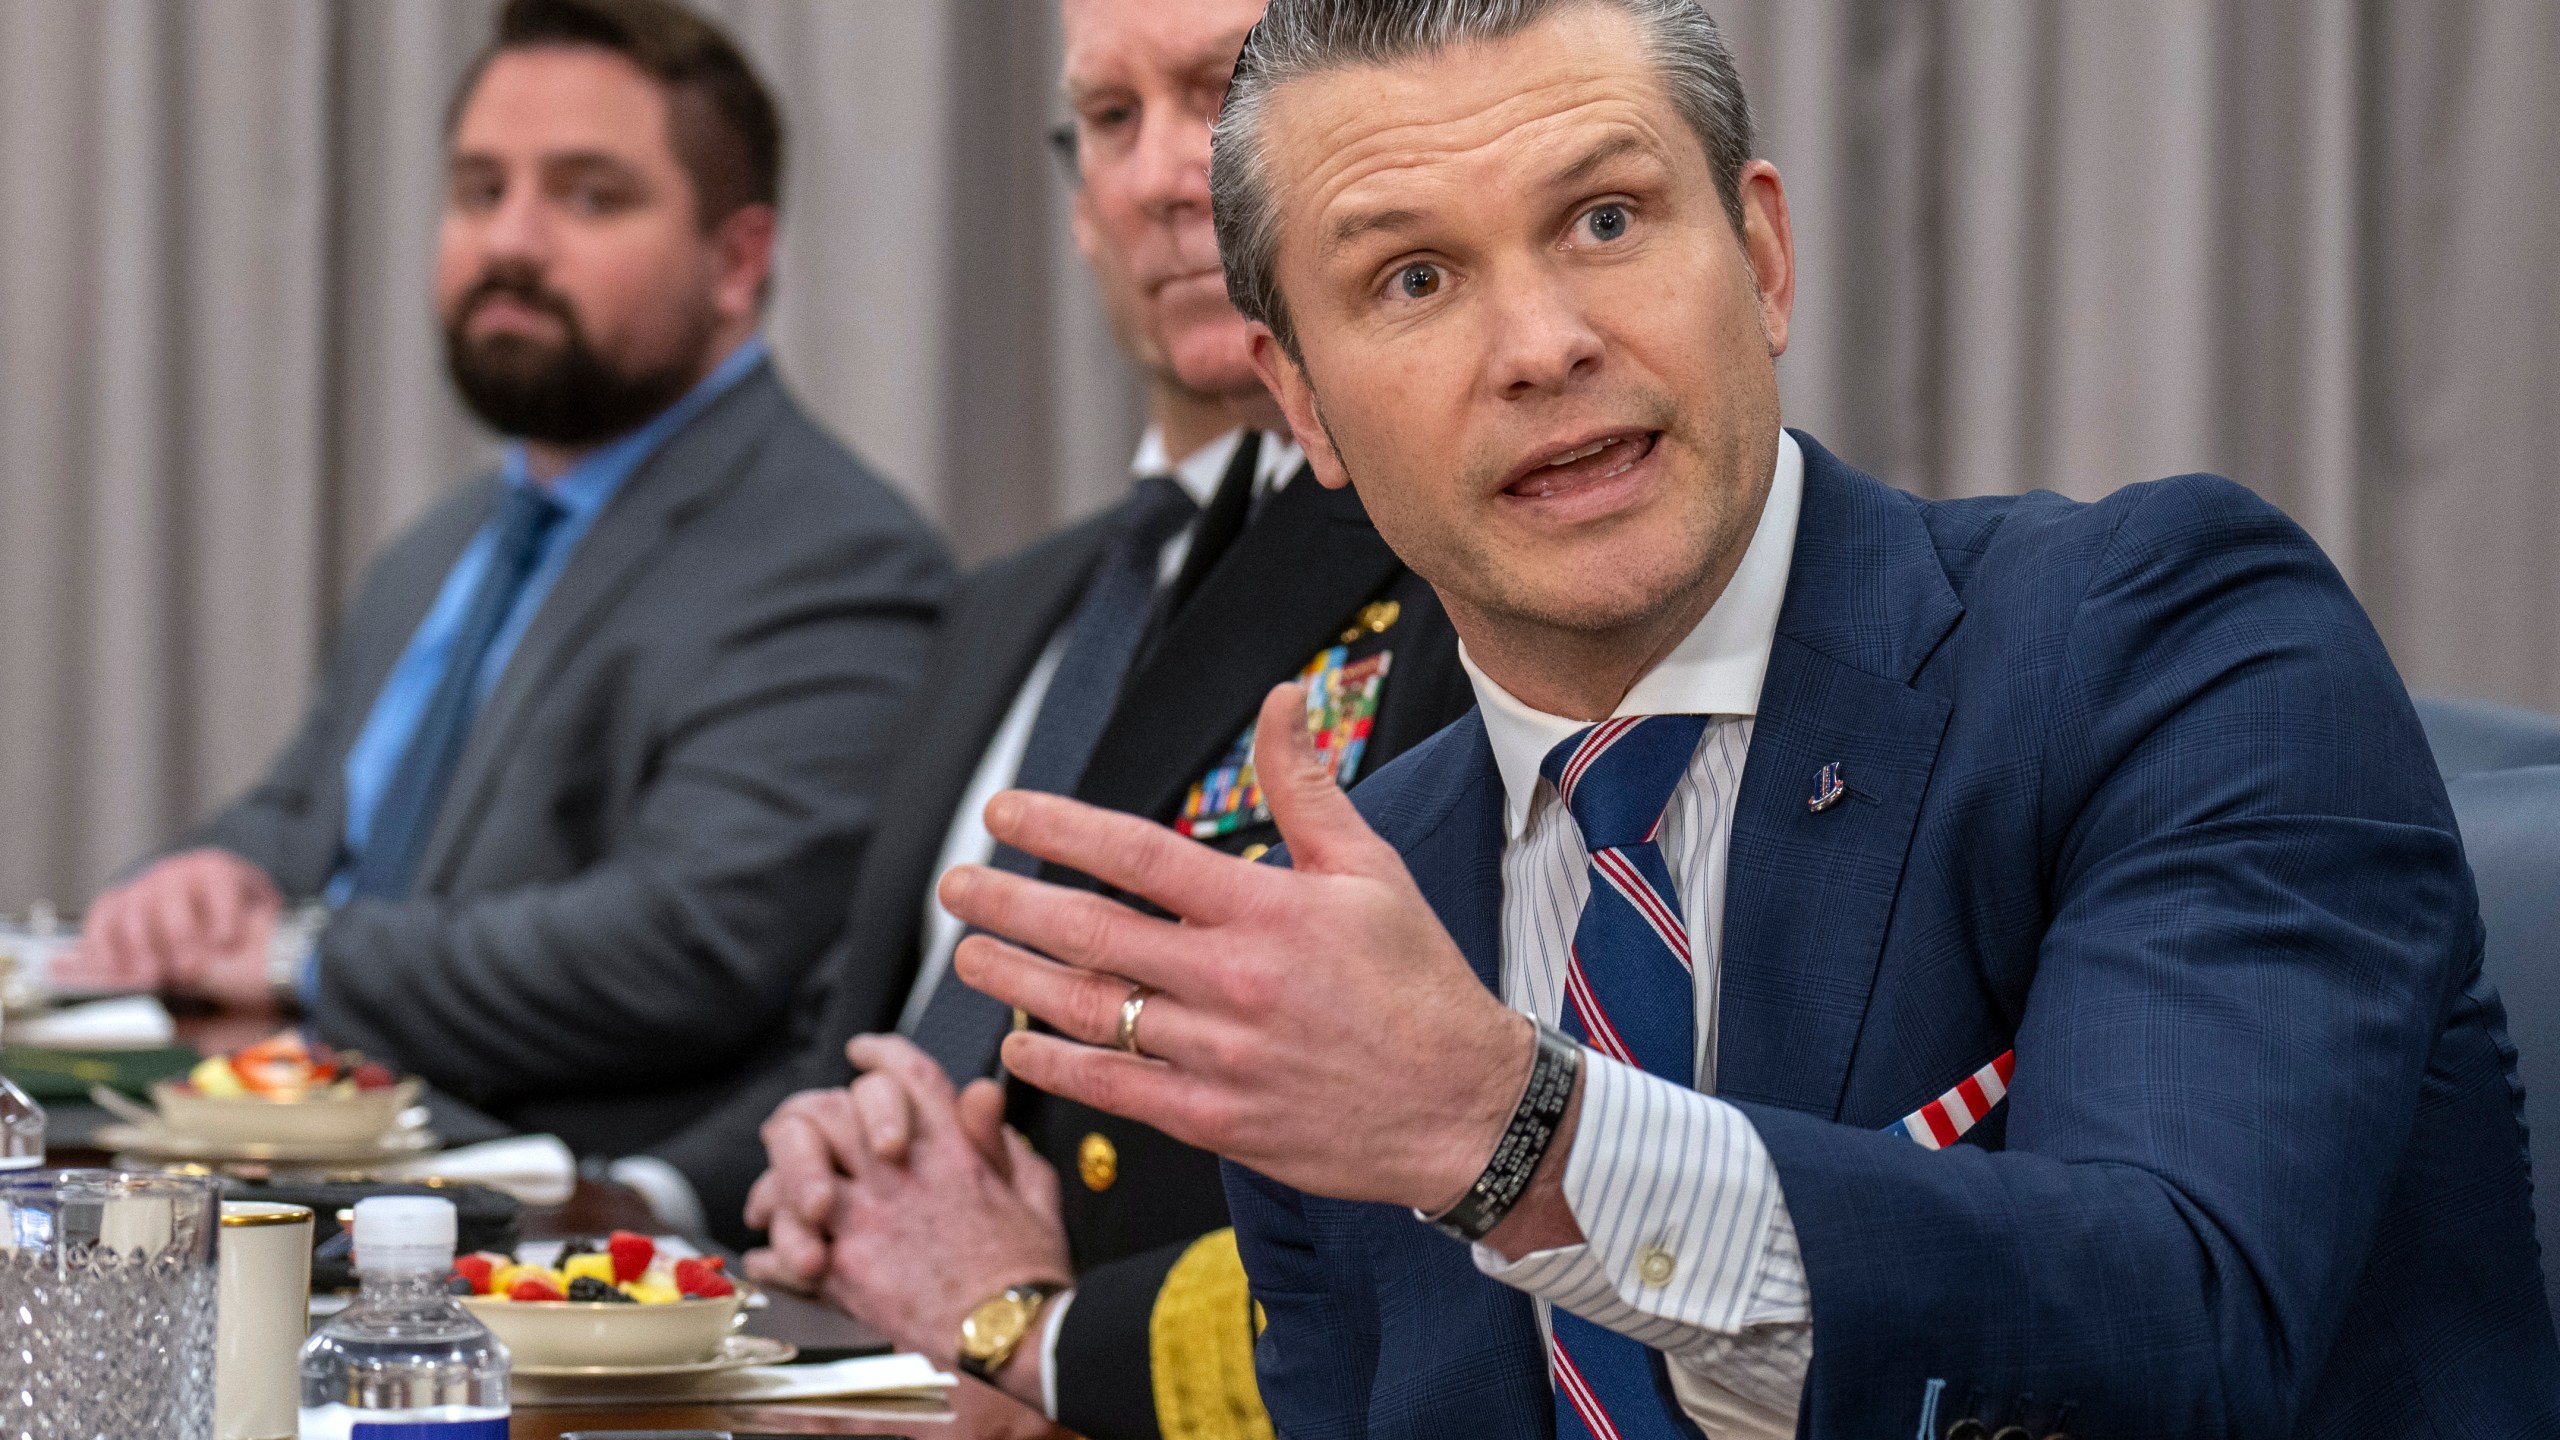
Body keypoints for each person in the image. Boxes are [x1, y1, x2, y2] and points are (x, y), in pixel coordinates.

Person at [938, 1, 2560, 1436]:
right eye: (1413, 276)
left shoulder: (2159, 636)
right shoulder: (1364, 925)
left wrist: (1516, 1130)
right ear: (1304, 406)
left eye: (1605, 219)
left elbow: (2191, 1323)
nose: (1544, 344)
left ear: (1762, 257)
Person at [619, 2, 1472, 1436]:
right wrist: (832, 1148)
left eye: (1222, 92)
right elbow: (870, 1035)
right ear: (1076, 202)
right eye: (1111, 120)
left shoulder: (1458, 567)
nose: (1159, 176)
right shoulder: (1010, 606)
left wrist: (1026, 1312)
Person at [60, 0, 950, 1159]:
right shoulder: (435, 550)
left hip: (567, 1240)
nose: (511, 241)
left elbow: (687, 943)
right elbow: (306, 815)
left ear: (737, 261)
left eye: (588, 196)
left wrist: (296, 957)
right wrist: (206, 877)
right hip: (304, 1170)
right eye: (481, 190)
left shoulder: (837, 557)